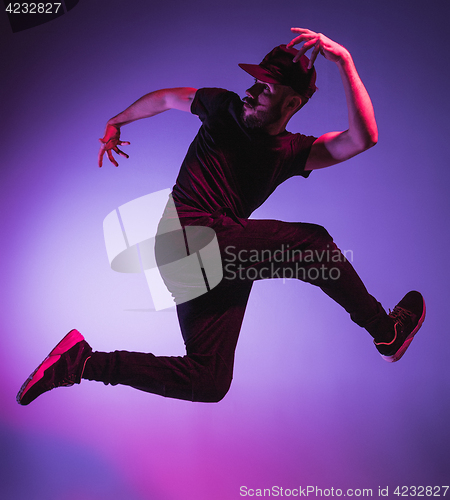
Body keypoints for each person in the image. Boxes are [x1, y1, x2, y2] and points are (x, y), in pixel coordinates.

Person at [17, 28, 425, 406]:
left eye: (266, 88)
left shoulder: (292, 151)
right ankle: (385, 333)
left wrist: (346, 63)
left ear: (292, 103)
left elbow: (362, 138)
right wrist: (117, 121)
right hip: (183, 241)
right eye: (254, 81)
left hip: (215, 259)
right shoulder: (221, 106)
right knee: (312, 245)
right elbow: (164, 98)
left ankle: (83, 363)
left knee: (208, 380)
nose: (251, 92)